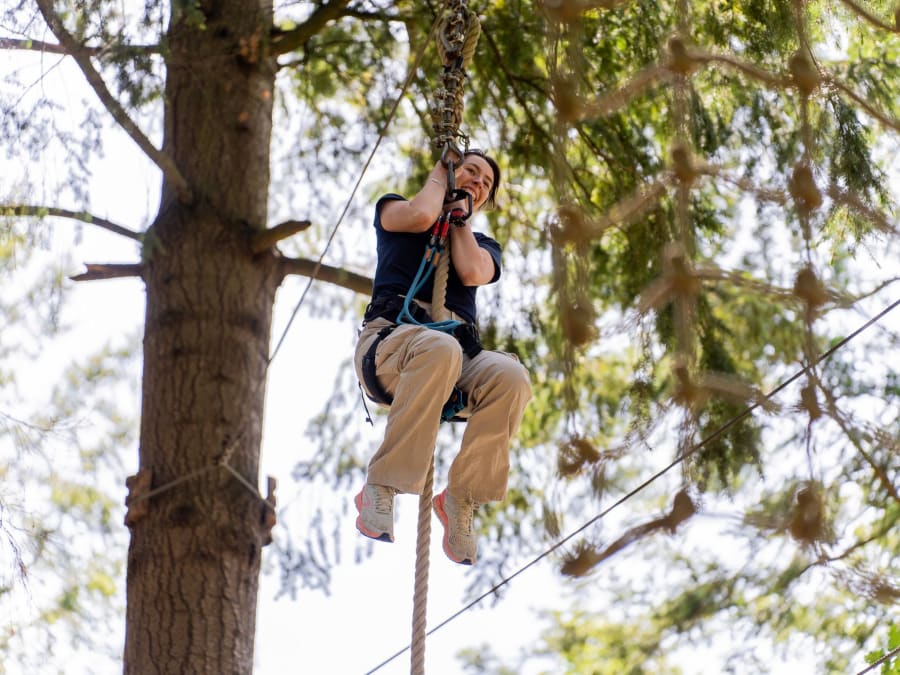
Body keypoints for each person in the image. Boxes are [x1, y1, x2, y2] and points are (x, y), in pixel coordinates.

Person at [353, 149, 532, 565]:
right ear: (450, 171)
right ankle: (382, 485)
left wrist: (461, 222)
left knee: (511, 377)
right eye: (471, 171)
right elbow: (420, 216)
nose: (478, 182)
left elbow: (471, 272)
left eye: (486, 183)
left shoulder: (483, 245)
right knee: (439, 347)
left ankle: (461, 498)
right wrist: (440, 174)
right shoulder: (395, 210)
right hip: (392, 346)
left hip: (455, 361)